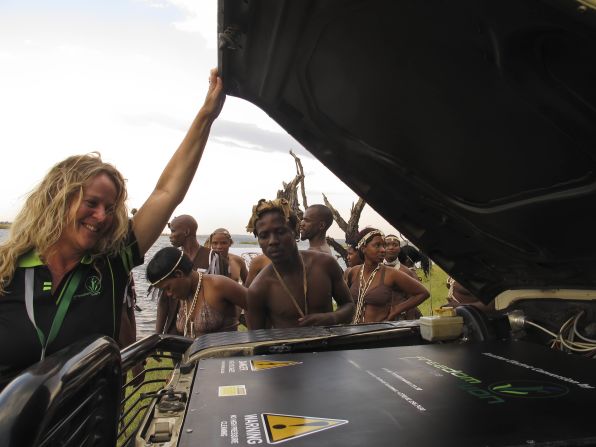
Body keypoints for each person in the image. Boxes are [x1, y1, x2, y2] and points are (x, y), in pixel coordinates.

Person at [0, 68, 225, 387]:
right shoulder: (6, 269)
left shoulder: (110, 261)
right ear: (58, 199)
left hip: (87, 431)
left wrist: (206, 115)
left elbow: (167, 192)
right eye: (91, 203)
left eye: (110, 207)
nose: (102, 216)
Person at [246, 199, 354, 329]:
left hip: (332, 348)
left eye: (280, 232)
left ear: (295, 232)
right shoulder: (258, 289)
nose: (272, 241)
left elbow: (349, 306)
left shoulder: (325, 264)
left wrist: (331, 317)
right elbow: (258, 340)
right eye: (264, 236)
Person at [147, 247, 247, 338]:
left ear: (178, 274)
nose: (168, 294)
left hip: (225, 356)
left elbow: (255, 305)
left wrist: (256, 343)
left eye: (168, 287)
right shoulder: (184, 295)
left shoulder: (218, 285)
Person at [155, 214, 229, 334]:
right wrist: (157, 335)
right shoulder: (172, 260)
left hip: (205, 333)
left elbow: (226, 300)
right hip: (176, 330)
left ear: (186, 231)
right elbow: (163, 301)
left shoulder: (213, 259)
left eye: (173, 231)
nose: (170, 236)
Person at [345, 228, 429, 323]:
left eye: (383, 246)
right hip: (353, 332)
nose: (383, 250)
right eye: (377, 245)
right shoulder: (353, 272)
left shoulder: (391, 273)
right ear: (364, 248)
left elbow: (423, 293)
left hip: (379, 333)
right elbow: (344, 302)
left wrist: (396, 309)